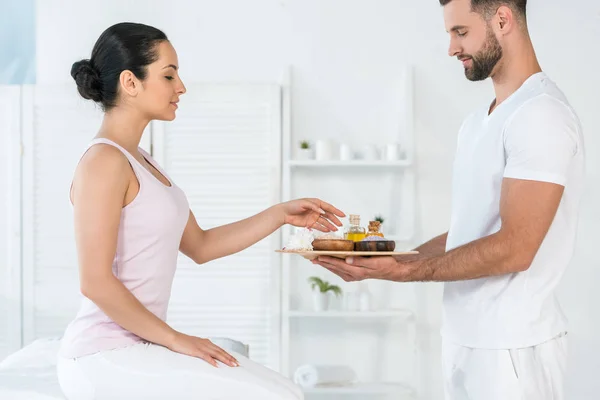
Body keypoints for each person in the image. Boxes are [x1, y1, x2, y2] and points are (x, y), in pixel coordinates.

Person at [57, 22, 345, 400]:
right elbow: (94, 281)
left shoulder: (142, 160)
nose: (181, 87)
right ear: (130, 82)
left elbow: (201, 245)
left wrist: (280, 214)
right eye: (168, 75)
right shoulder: (103, 162)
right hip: (101, 354)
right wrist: (178, 341)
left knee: (287, 390)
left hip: (137, 344)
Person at [313, 0, 585, 399]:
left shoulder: (541, 115)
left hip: (513, 350)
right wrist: (388, 261)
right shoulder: (477, 123)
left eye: (460, 32)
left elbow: (515, 248)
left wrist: (403, 273)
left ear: (503, 19)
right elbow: (470, 232)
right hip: (464, 340)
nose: (451, 49)